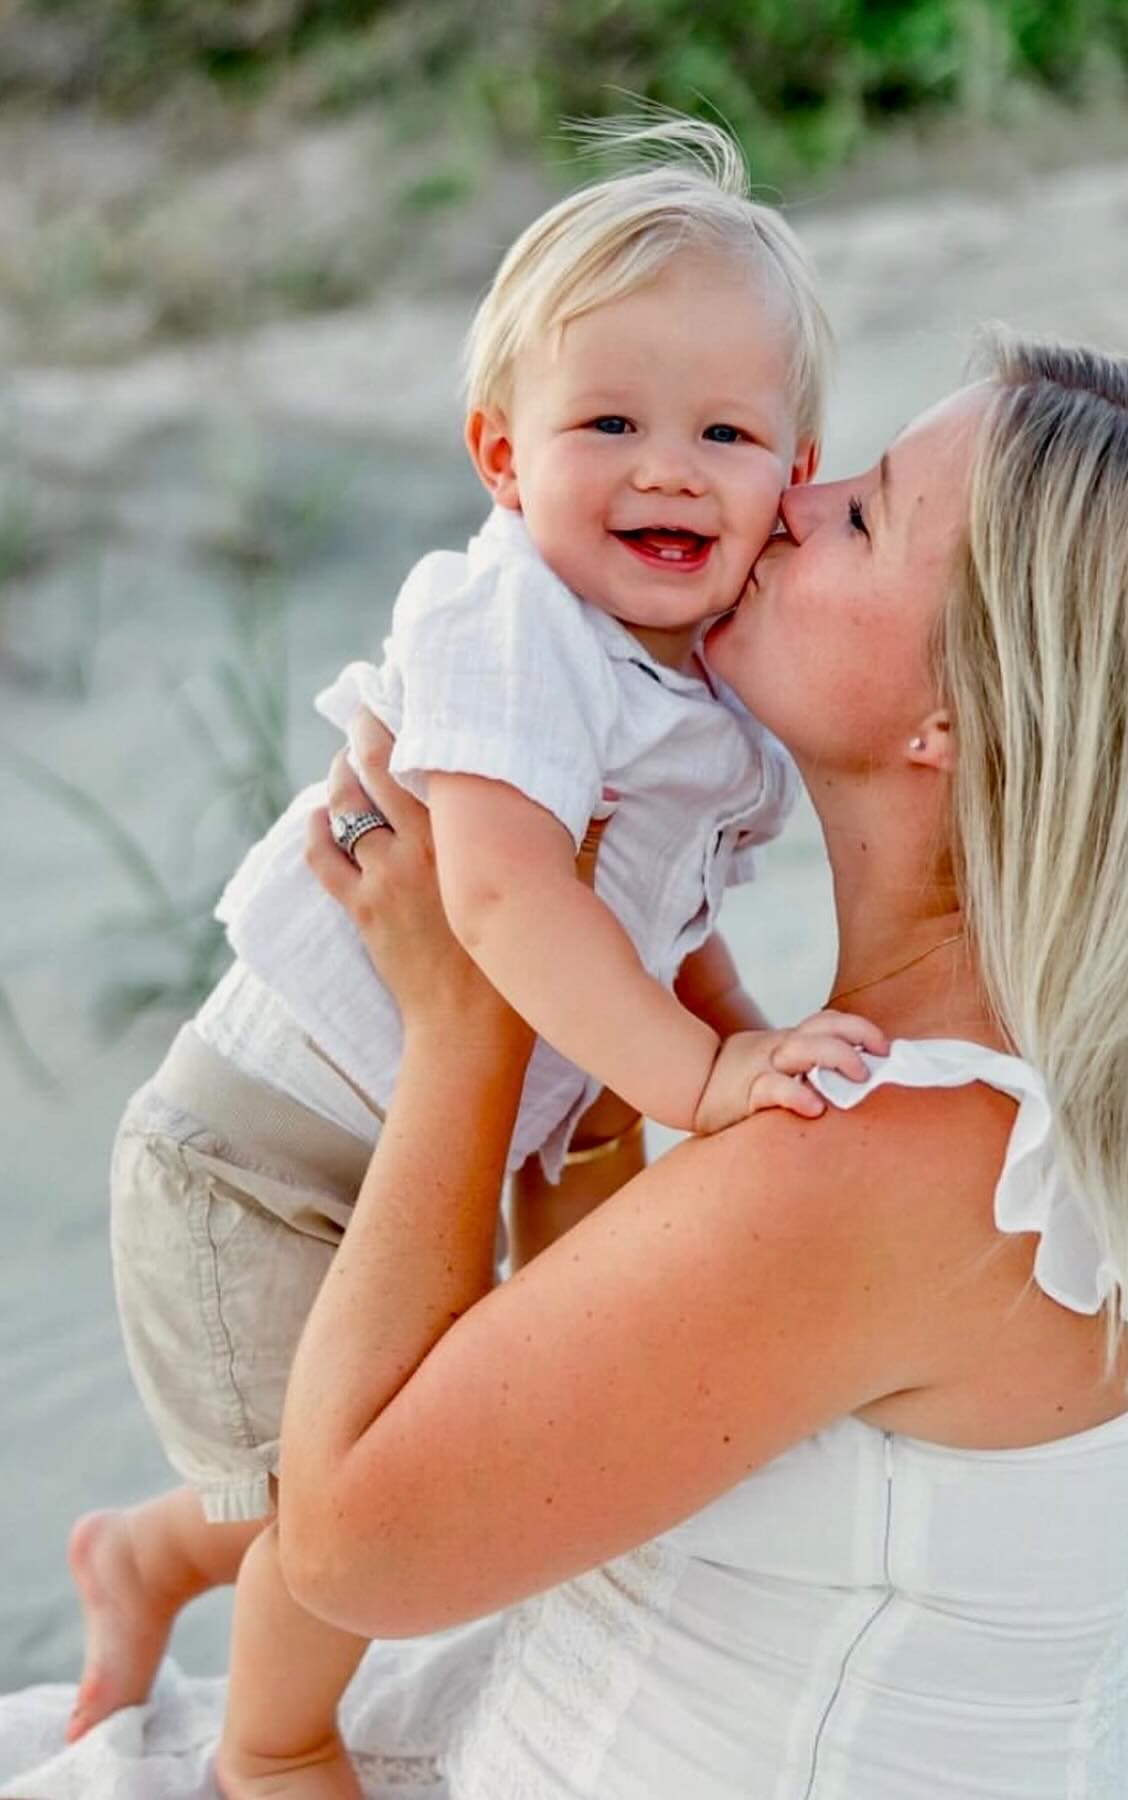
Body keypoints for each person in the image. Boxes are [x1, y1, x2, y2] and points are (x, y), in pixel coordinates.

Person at [257, 336, 1128, 1797]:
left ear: (961, 715)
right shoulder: (1048, 1102)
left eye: (860, 514)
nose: (782, 496)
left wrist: (469, 1019)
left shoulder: (880, 1168)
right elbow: (657, 1370)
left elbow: (348, 1547)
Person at [63, 121, 885, 1800]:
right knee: (337, 1512)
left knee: (439, 1462)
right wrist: (704, 1078)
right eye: (608, 425)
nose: (668, 468)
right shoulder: (511, 625)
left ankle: (145, 1561)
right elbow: (502, 905)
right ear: (501, 459)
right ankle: (272, 1750)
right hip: (265, 1167)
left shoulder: (693, 681)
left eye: (723, 432)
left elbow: (653, 918)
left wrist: (737, 1023)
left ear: (794, 473)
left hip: (409, 1160)